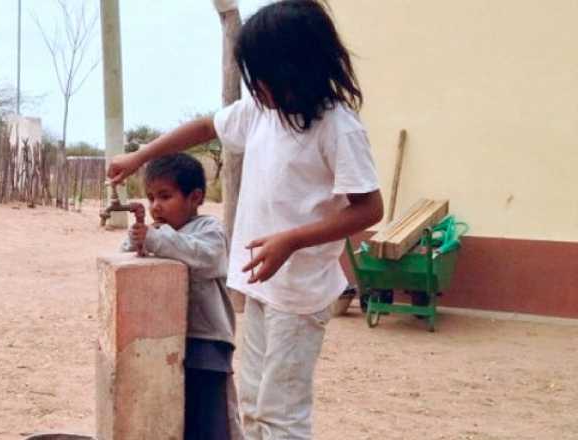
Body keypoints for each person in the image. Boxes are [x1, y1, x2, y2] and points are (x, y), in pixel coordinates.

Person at [109, 1, 384, 438]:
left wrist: (291, 240)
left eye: (264, 78)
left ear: (299, 67)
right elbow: (204, 128)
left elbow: (369, 208)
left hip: (300, 293)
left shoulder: (338, 127)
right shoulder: (261, 113)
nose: (257, 89)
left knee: (281, 414)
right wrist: (142, 155)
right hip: (260, 282)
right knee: (255, 407)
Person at [121, 153, 238, 440]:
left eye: (165, 196)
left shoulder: (209, 231)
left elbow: (205, 258)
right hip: (162, 340)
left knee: (210, 421)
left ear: (195, 197)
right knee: (172, 415)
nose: (155, 206)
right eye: (151, 198)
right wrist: (136, 242)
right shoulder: (155, 233)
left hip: (206, 341)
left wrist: (153, 239)